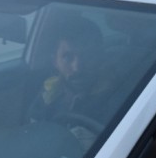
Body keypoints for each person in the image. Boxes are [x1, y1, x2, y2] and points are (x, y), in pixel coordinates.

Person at [29, 16, 116, 147]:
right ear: (54, 62)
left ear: (101, 56)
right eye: (67, 57)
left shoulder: (118, 97)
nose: (77, 68)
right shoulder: (49, 90)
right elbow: (32, 130)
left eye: (88, 56)